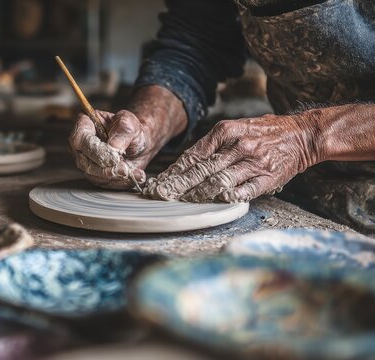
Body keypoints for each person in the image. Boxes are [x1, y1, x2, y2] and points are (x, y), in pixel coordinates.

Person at [69, 0, 375, 234]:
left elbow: (303, 139)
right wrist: (146, 125)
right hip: (291, 185)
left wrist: (307, 137)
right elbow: (196, 43)